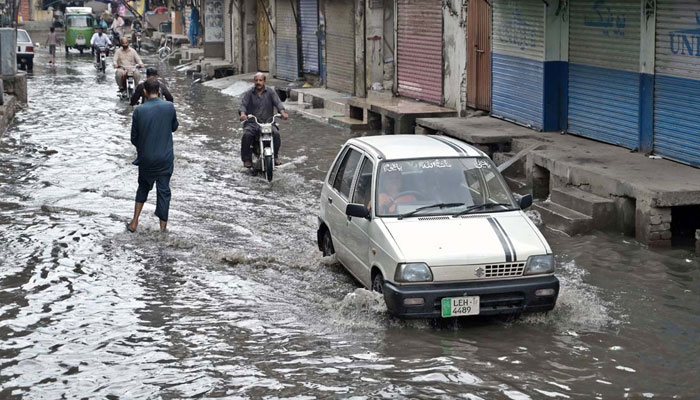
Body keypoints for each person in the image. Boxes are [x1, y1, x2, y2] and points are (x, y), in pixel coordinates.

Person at [127, 78, 179, 233]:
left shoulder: (139, 110)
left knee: (143, 187)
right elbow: (174, 127)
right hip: (165, 158)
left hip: (146, 158)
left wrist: (144, 148)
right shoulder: (169, 107)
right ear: (160, 91)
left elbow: (134, 138)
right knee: (163, 191)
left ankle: (134, 222)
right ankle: (163, 228)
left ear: (144, 91)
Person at [238, 72, 289, 168]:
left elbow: (278, 103)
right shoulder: (249, 93)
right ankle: (247, 159)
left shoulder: (270, 92)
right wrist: (243, 114)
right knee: (247, 135)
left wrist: (283, 113)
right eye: (256, 80)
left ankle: (275, 157)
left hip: (268, 123)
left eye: (260, 80)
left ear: (264, 82)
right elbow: (243, 105)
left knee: (276, 134)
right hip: (253, 123)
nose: (258, 82)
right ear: (254, 81)